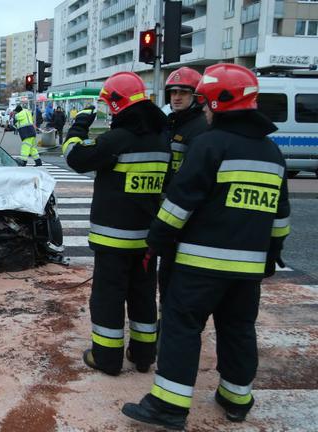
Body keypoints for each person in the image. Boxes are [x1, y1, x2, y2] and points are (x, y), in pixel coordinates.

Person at [122, 64, 291, 430]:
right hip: (247, 271)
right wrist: (271, 256)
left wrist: (156, 241)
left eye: (207, 103)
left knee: (182, 327)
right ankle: (236, 398)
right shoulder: (272, 153)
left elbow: (179, 204)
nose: (205, 109)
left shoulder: (210, 145)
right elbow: (281, 218)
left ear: (218, 102)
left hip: (200, 264)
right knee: (238, 329)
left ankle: (168, 406)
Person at [62, 72, 169, 377]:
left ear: (118, 104)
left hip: (114, 241)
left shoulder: (118, 139)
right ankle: (144, 354)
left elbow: (76, 158)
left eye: (110, 106)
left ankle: (107, 358)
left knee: (108, 299)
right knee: (144, 298)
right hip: (147, 240)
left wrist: (79, 125)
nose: (109, 112)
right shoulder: (161, 139)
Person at [156, 67, 209, 309]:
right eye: (173, 92)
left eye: (183, 93)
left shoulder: (199, 129)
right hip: (170, 211)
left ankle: (170, 327)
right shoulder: (172, 123)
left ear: (197, 96)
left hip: (186, 218)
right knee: (166, 275)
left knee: (177, 279)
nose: (176, 97)